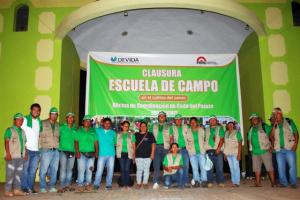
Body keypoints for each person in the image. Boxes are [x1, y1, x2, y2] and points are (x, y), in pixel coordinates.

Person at [270, 107, 299, 188]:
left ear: (281, 114)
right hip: (279, 149)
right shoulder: (275, 124)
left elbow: (296, 133)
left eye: (277, 113)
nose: (275, 115)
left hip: (289, 148)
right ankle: (283, 183)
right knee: (280, 167)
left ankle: (293, 183)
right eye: (274, 114)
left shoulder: (289, 121)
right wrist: (274, 125)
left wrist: (296, 144)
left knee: (292, 166)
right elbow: (271, 136)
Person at [247, 112, 275, 187]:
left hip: (265, 151)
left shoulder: (264, 126)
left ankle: (273, 183)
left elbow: (272, 135)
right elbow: (249, 140)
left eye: (255, 118)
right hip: (255, 152)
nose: (254, 120)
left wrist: (272, 145)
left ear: (258, 119)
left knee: (269, 167)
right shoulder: (251, 129)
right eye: (252, 119)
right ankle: (258, 183)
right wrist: (251, 150)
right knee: (256, 169)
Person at [4, 113, 27, 197]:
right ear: (14, 121)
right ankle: (7, 191)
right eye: (18, 119)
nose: (20, 121)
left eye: (21, 120)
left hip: (20, 157)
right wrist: (8, 153)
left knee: (18, 175)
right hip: (12, 156)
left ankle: (17, 190)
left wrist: (26, 153)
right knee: (10, 174)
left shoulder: (23, 131)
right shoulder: (10, 130)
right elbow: (6, 142)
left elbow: (24, 144)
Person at [21, 103, 42, 194]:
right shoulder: (25, 120)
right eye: (34, 110)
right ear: (31, 110)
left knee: (33, 171)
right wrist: (24, 149)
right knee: (25, 170)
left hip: (36, 151)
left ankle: (30, 187)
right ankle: (24, 187)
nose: (36, 112)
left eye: (38, 110)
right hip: (27, 149)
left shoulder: (38, 122)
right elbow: (21, 134)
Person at [39, 107, 60, 193]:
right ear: (49, 114)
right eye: (52, 114)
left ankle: (52, 186)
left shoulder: (58, 125)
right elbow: (37, 135)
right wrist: (40, 148)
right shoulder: (42, 123)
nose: (54, 116)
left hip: (56, 150)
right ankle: (42, 186)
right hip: (46, 150)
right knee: (43, 170)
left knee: (54, 170)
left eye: (55, 114)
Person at [75, 115, 98, 192]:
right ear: (83, 122)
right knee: (81, 170)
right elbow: (76, 142)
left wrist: (97, 152)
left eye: (89, 121)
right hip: (81, 153)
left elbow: (96, 142)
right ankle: (80, 185)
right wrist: (77, 152)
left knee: (89, 170)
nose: (88, 122)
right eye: (86, 121)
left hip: (91, 154)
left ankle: (88, 184)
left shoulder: (93, 131)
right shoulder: (79, 131)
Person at [149, 111, 172, 189]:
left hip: (166, 147)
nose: (161, 117)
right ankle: (156, 182)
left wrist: (171, 148)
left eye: (163, 116)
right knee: (156, 166)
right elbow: (150, 137)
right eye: (160, 116)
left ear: (165, 118)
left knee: (166, 165)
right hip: (156, 147)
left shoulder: (169, 126)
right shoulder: (153, 125)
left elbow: (171, 138)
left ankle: (167, 182)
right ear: (158, 117)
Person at [93, 117, 117, 190]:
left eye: (109, 123)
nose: (107, 125)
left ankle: (108, 184)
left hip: (111, 154)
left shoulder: (113, 133)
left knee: (110, 170)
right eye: (106, 123)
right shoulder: (98, 130)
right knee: (99, 170)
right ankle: (96, 184)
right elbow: (93, 127)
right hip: (101, 154)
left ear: (110, 124)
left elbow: (115, 143)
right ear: (103, 123)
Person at [185, 117, 207, 188]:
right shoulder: (188, 131)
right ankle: (196, 181)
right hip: (192, 153)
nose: (192, 124)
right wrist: (189, 149)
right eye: (191, 122)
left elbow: (205, 139)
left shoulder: (201, 130)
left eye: (194, 122)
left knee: (203, 167)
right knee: (194, 168)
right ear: (189, 123)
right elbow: (186, 142)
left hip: (201, 152)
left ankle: (204, 181)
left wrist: (205, 149)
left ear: (197, 123)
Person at [204, 115, 225, 188]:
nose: (212, 121)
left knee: (219, 168)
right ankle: (210, 182)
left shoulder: (220, 128)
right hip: (208, 150)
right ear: (209, 121)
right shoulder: (206, 129)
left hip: (217, 150)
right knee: (209, 168)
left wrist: (219, 148)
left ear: (216, 121)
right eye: (211, 120)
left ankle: (221, 182)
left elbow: (222, 139)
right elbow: (204, 139)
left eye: (214, 120)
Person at [58, 112, 77, 193]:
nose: (70, 119)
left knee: (70, 169)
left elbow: (76, 141)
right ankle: (62, 186)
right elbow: (57, 137)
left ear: (73, 119)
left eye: (72, 117)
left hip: (72, 152)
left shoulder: (75, 129)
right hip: (63, 151)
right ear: (66, 119)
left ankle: (68, 185)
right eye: (68, 117)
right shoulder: (61, 127)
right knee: (63, 168)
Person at [170, 114, 190, 187]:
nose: (178, 120)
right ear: (174, 120)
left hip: (185, 149)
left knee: (186, 166)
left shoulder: (186, 127)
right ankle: (175, 182)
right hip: (176, 149)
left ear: (182, 120)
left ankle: (185, 182)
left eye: (179, 119)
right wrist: (172, 149)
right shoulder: (172, 128)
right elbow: (171, 138)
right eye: (176, 119)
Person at [135, 121, 156, 189]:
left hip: (148, 156)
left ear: (146, 127)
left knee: (146, 170)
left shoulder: (150, 134)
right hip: (138, 155)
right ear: (139, 127)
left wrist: (152, 153)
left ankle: (145, 183)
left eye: (144, 126)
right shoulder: (136, 134)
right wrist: (134, 155)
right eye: (141, 126)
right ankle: (138, 183)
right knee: (139, 170)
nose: (143, 127)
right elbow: (133, 145)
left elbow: (153, 144)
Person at [116, 121, 135, 190]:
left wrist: (134, 154)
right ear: (122, 126)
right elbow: (115, 143)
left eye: (127, 126)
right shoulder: (118, 134)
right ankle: (123, 185)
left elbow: (133, 144)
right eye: (125, 126)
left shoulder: (131, 134)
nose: (126, 127)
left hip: (129, 154)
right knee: (122, 169)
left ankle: (127, 185)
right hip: (121, 154)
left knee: (127, 169)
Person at [223, 121, 242, 187]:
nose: (230, 126)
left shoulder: (237, 132)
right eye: (229, 125)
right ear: (227, 126)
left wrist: (239, 154)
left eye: (231, 125)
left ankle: (237, 182)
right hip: (228, 153)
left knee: (236, 167)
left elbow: (240, 143)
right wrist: (225, 154)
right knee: (231, 168)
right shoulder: (226, 133)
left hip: (235, 152)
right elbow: (225, 144)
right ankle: (233, 182)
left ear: (233, 126)